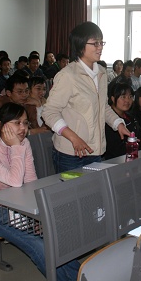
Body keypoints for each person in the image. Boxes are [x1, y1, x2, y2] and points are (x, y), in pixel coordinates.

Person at [0, 102, 80, 281]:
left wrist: (37, 216)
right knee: (37, 244)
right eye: (16, 123)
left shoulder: (24, 144)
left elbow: (31, 181)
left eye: (24, 123)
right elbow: (15, 181)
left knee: (56, 233)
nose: (22, 128)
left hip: (17, 206)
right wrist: (16, 147)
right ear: (0, 125)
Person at [42, 22, 130, 173]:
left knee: (93, 188)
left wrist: (118, 124)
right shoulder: (67, 75)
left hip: (95, 150)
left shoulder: (101, 73)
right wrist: (73, 137)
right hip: (71, 153)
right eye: (95, 43)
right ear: (81, 45)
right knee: (73, 189)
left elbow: (103, 106)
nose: (100, 47)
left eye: (101, 42)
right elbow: (49, 112)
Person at [103, 83, 141, 160]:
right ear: (113, 99)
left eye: (130, 97)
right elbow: (115, 149)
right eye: (123, 97)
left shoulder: (131, 117)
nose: (127, 101)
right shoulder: (109, 121)